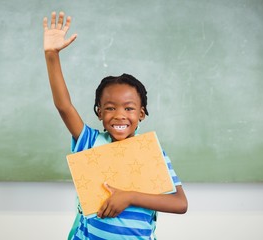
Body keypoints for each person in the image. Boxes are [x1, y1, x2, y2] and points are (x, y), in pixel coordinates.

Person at [43, 11, 188, 240]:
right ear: (99, 113)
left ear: (141, 114)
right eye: (110, 108)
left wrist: (129, 197)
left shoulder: (151, 153)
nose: (120, 115)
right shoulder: (90, 142)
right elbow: (64, 106)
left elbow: (180, 203)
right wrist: (52, 55)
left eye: (129, 109)